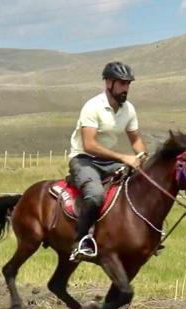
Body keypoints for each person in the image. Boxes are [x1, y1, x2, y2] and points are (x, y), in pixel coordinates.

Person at [67, 61, 148, 262]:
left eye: (128, 84)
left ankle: (140, 235)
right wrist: (123, 157)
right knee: (95, 196)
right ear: (109, 83)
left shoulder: (128, 109)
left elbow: (135, 138)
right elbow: (89, 145)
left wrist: (141, 157)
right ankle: (80, 241)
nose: (126, 88)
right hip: (84, 159)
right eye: (122, 83)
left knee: (142, 186)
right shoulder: (93, 106)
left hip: (108, 160)